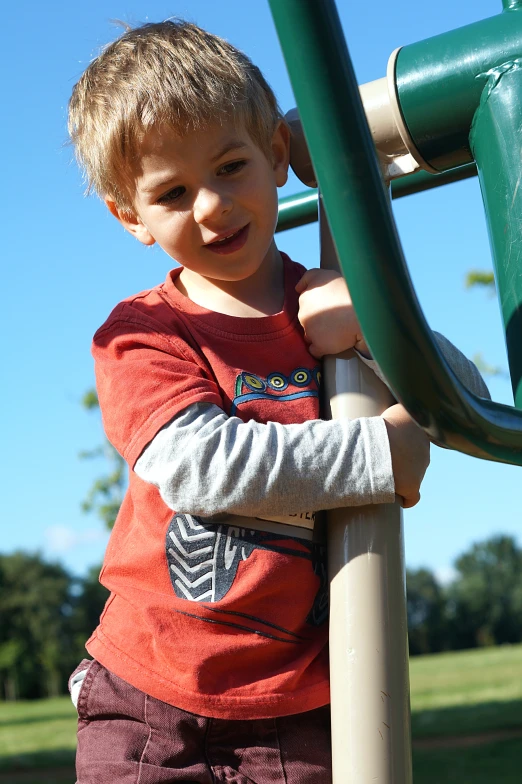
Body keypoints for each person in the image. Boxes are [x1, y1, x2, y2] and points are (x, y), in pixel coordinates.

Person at [67, 20, 489, 784]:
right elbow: (202, 466)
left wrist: (371, 322)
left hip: (295, 710)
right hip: (150, 696)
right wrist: (377, 454)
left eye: (231, 166)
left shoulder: (328, 301)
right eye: (171, 192)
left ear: (278, 153)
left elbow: (463, 394)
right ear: (129, 215)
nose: (211, 206)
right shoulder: (141, 335)